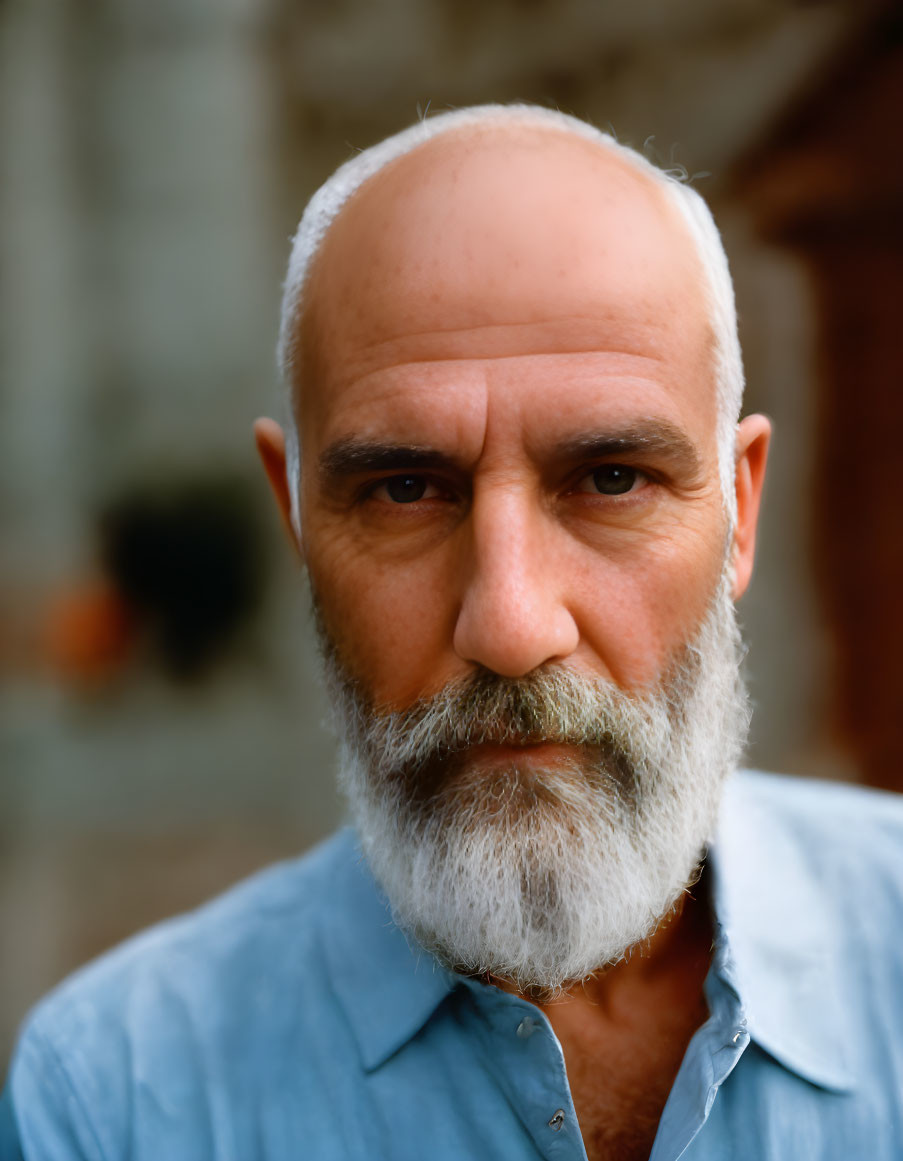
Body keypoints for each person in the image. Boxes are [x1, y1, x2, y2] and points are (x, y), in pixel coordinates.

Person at [3, 103, 902, 1161]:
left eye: (612, 479)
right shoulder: (119, 1098)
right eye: (404, 491)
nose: (513, 626)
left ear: (739, 514)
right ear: (295, 515)